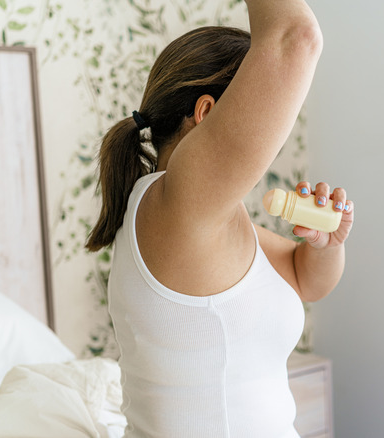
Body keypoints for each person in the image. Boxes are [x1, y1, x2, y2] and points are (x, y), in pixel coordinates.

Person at [84, 1, 354, 436]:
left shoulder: (196, 216)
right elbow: (296, 37)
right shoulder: (180, 204)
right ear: (207, 114)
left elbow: (308, 280)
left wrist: (329, 244)